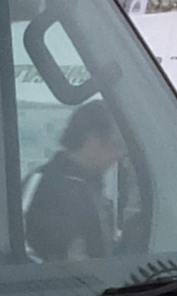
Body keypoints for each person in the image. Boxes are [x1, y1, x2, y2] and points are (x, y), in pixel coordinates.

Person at [25, 99, 129, 264]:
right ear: (92, 140)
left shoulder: (89, 184)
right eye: (116, 145)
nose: (120, 156)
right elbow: (60, 259)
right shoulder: (46, 185)